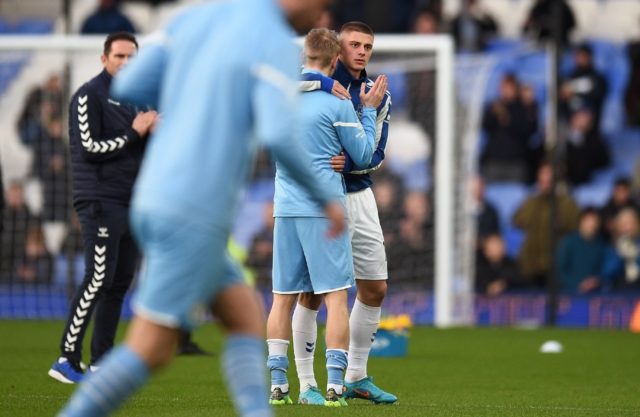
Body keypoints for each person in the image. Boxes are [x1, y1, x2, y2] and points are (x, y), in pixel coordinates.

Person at [56, 1, 337, 416]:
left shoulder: (198, 16)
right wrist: (327, 197)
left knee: (243, 314)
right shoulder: (273, 40)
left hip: (152, 195)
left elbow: (129, 84)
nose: (322, 14)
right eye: (322, 3)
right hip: (194, 209)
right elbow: (278, 132)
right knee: (150, 348)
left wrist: (192, 101)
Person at [266, 28, 384, 407]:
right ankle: (334, 386)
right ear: (335, 59)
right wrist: (364, 111)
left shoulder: (282, 96)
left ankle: (280, 387)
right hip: (324, 207)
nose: (362, 52)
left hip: (286, 207)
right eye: (355, 45)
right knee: (333, 297)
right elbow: (365, 155)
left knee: (281, 298)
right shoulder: (337, 102)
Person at [48, 32, 156, 385]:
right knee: (97, 278)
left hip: (131, 201)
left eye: (131, 58)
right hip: (99, 199)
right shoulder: (88, 95)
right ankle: (66, 357)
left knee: (119, 282)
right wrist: (135, 134)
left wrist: (155, 132)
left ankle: (101, 362)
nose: (125, 63)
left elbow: (139, 149)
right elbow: (90, 147)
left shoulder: (135, 101)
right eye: (119, 56)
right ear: (104, 58)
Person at [297, 21, 397, 404]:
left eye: (367, 46)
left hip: (358, 195)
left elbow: (376, 152)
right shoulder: (315, 82)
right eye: (354, 44)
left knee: (375, 287)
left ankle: (356, 375)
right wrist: (324, 84)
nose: (361, 52)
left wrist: (352, 164)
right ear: (338, 48)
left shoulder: (378, 95)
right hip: (319, 198)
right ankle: (307, 383)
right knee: (313, 292)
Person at [513, 163, 580, 288]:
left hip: (556, 264)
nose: (545, 184)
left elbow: (575, 227)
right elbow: (516, 220)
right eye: (541, 181)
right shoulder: (530, 202)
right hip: (530, 264)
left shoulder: (567, 203)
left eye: (549, 181)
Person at [555, 208, 605, 294]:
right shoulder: (568, 242)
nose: (592, 224)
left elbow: (603, 269)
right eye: (588, 221)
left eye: (595, 221)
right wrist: (578, 284)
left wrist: (595, 281)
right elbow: (559, 270)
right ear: (581, 222)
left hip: (594, 294)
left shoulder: (601, 244)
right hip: (569, 294)